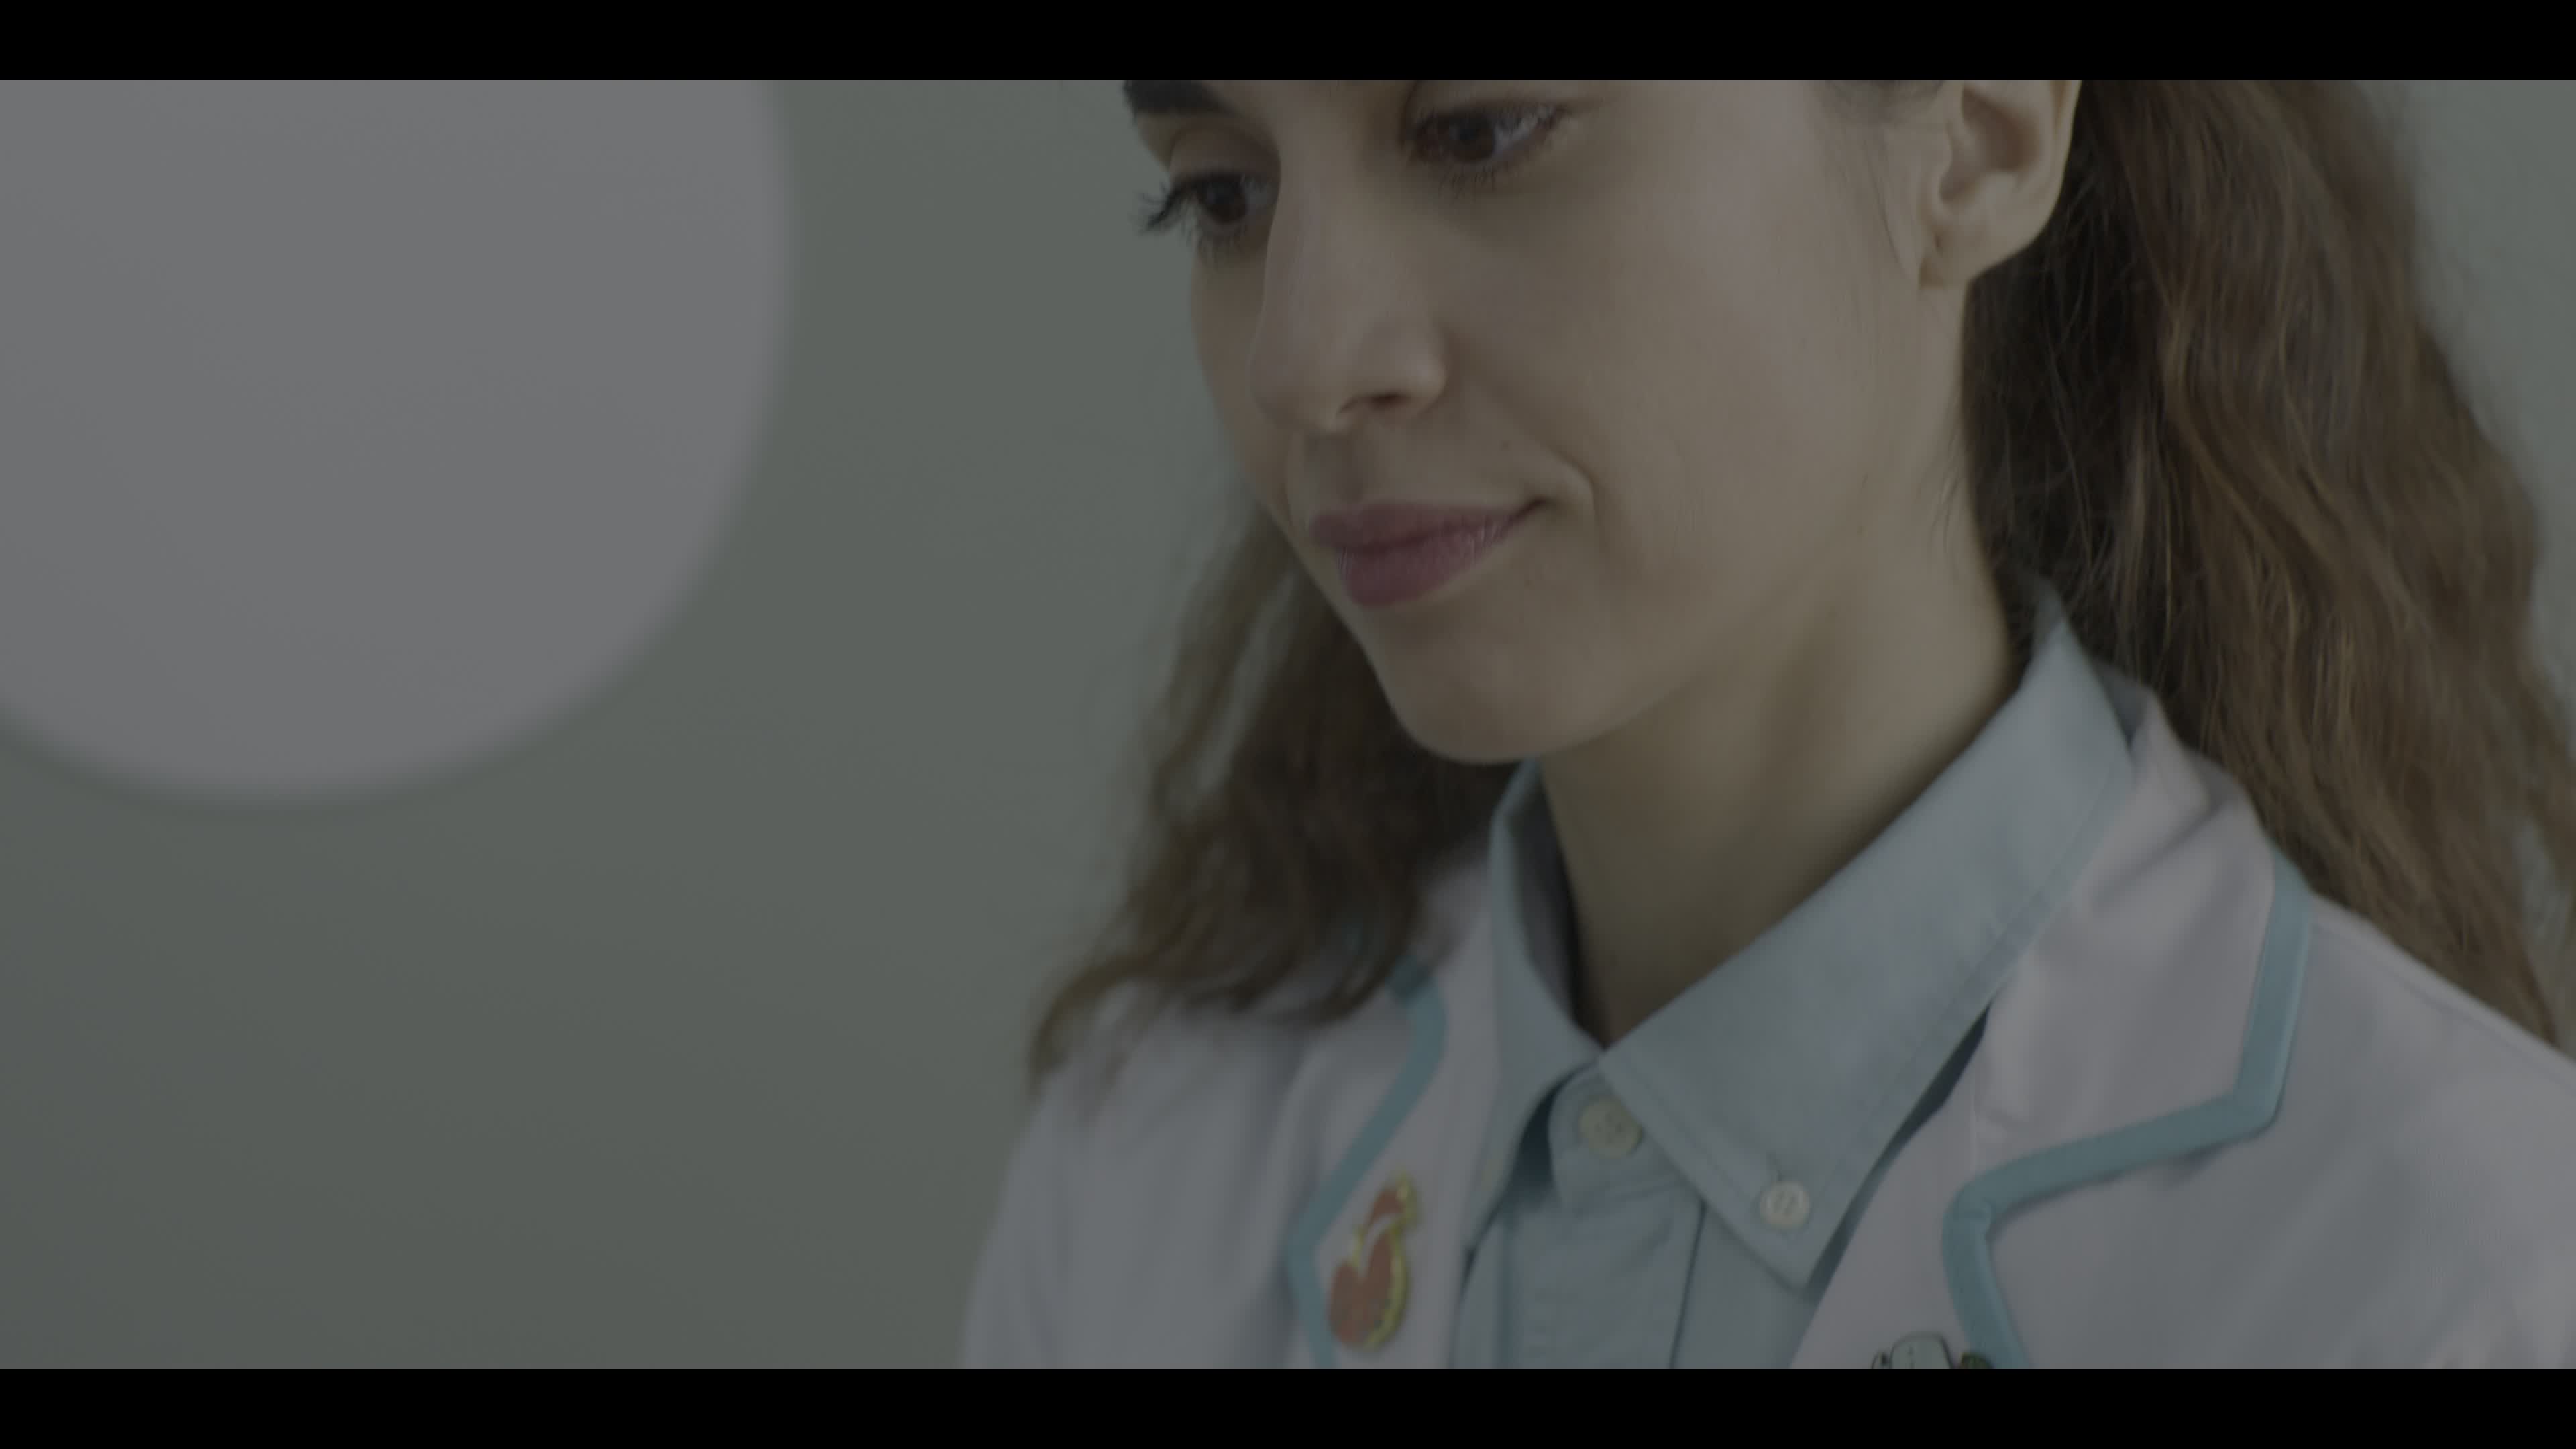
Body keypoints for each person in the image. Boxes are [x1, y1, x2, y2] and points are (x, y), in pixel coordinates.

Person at [960, 81, 2576, 1368]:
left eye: (1480, 132)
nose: (1307, 360)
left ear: (1979, 138)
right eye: (1224, 194)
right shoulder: (1148, 1163)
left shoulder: (2459, 1283)